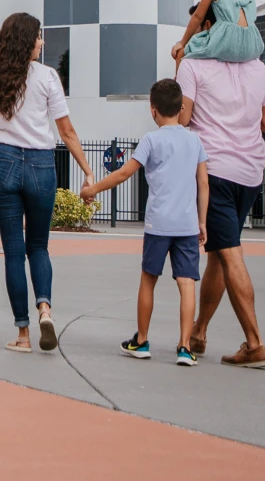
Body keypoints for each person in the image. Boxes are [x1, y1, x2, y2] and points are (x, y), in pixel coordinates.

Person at [0, 12, 95, 353]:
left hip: (5, 163)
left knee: (13, 251)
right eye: (39, 37)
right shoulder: (48, 78)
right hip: (41, 164)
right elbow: (66, 131)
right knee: (38, 246)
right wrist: (86, 169)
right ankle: (45, 309)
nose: (42, 42)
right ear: (27, 39)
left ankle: (23, 335)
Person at [177, 3, 265, 368]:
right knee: (221, 252)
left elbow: (182, 116)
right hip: (251, 173)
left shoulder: (193, 65)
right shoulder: (260, 70)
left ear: (208, 26)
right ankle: (199, 331)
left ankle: (254, 342)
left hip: (215, 171)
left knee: (230, 252)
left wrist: (178, 65)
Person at [81, 79, 209, 366]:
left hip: (158, 225)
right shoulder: (195, 140)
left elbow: (124, 173)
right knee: (187, 284)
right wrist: (202, 221)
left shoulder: (151, 140)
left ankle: (141, 340)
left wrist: (92, 189)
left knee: (148, 280)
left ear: (153, 111)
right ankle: (185, 347)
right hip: (187, 225)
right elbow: (203, 183)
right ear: (183, 107)